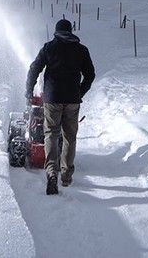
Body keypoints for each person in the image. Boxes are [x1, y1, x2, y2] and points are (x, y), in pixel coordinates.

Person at [26, 18, 96, 195]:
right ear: (71, 32)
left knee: (50, 134)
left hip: (52, 99)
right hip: (72, 100)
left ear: (56, 32)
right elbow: (90, 74)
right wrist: (80, 92)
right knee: (69, 137)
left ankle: (51, 173)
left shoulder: (49, 47)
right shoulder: (81, 50)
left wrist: (29, 90)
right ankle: (66, 176)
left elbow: (35, 68)